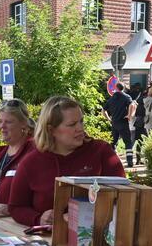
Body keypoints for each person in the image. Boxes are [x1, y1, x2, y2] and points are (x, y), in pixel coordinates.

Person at [9, 96, 125, 226]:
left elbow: (124, 197)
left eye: (81, 121)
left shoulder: (101, 151)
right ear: (51, 130)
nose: (80, 128)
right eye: (72, 124)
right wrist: (38, 218)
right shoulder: (31, 162)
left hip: (96, 238)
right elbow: (16, 207)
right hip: (47, 240)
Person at [0, 99, 36, 217]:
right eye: (0, 121)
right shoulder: (3, 153)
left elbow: (40, 197)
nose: (2, 126)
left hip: (16, 225)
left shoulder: (34, 152)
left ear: (23, 124)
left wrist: (12, 209)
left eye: (8, 122)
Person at [103, 82, 135, 167]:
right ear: (123, 88)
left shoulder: (111, 99)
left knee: (113, 142)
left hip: (114, 123)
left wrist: (109, 119)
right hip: (123, 122)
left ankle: (113, 162)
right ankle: (130, 161)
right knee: (128, 142)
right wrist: (130, 115)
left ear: (116, 88)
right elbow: (132, 105)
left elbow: (103, 110)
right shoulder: (126, 97)